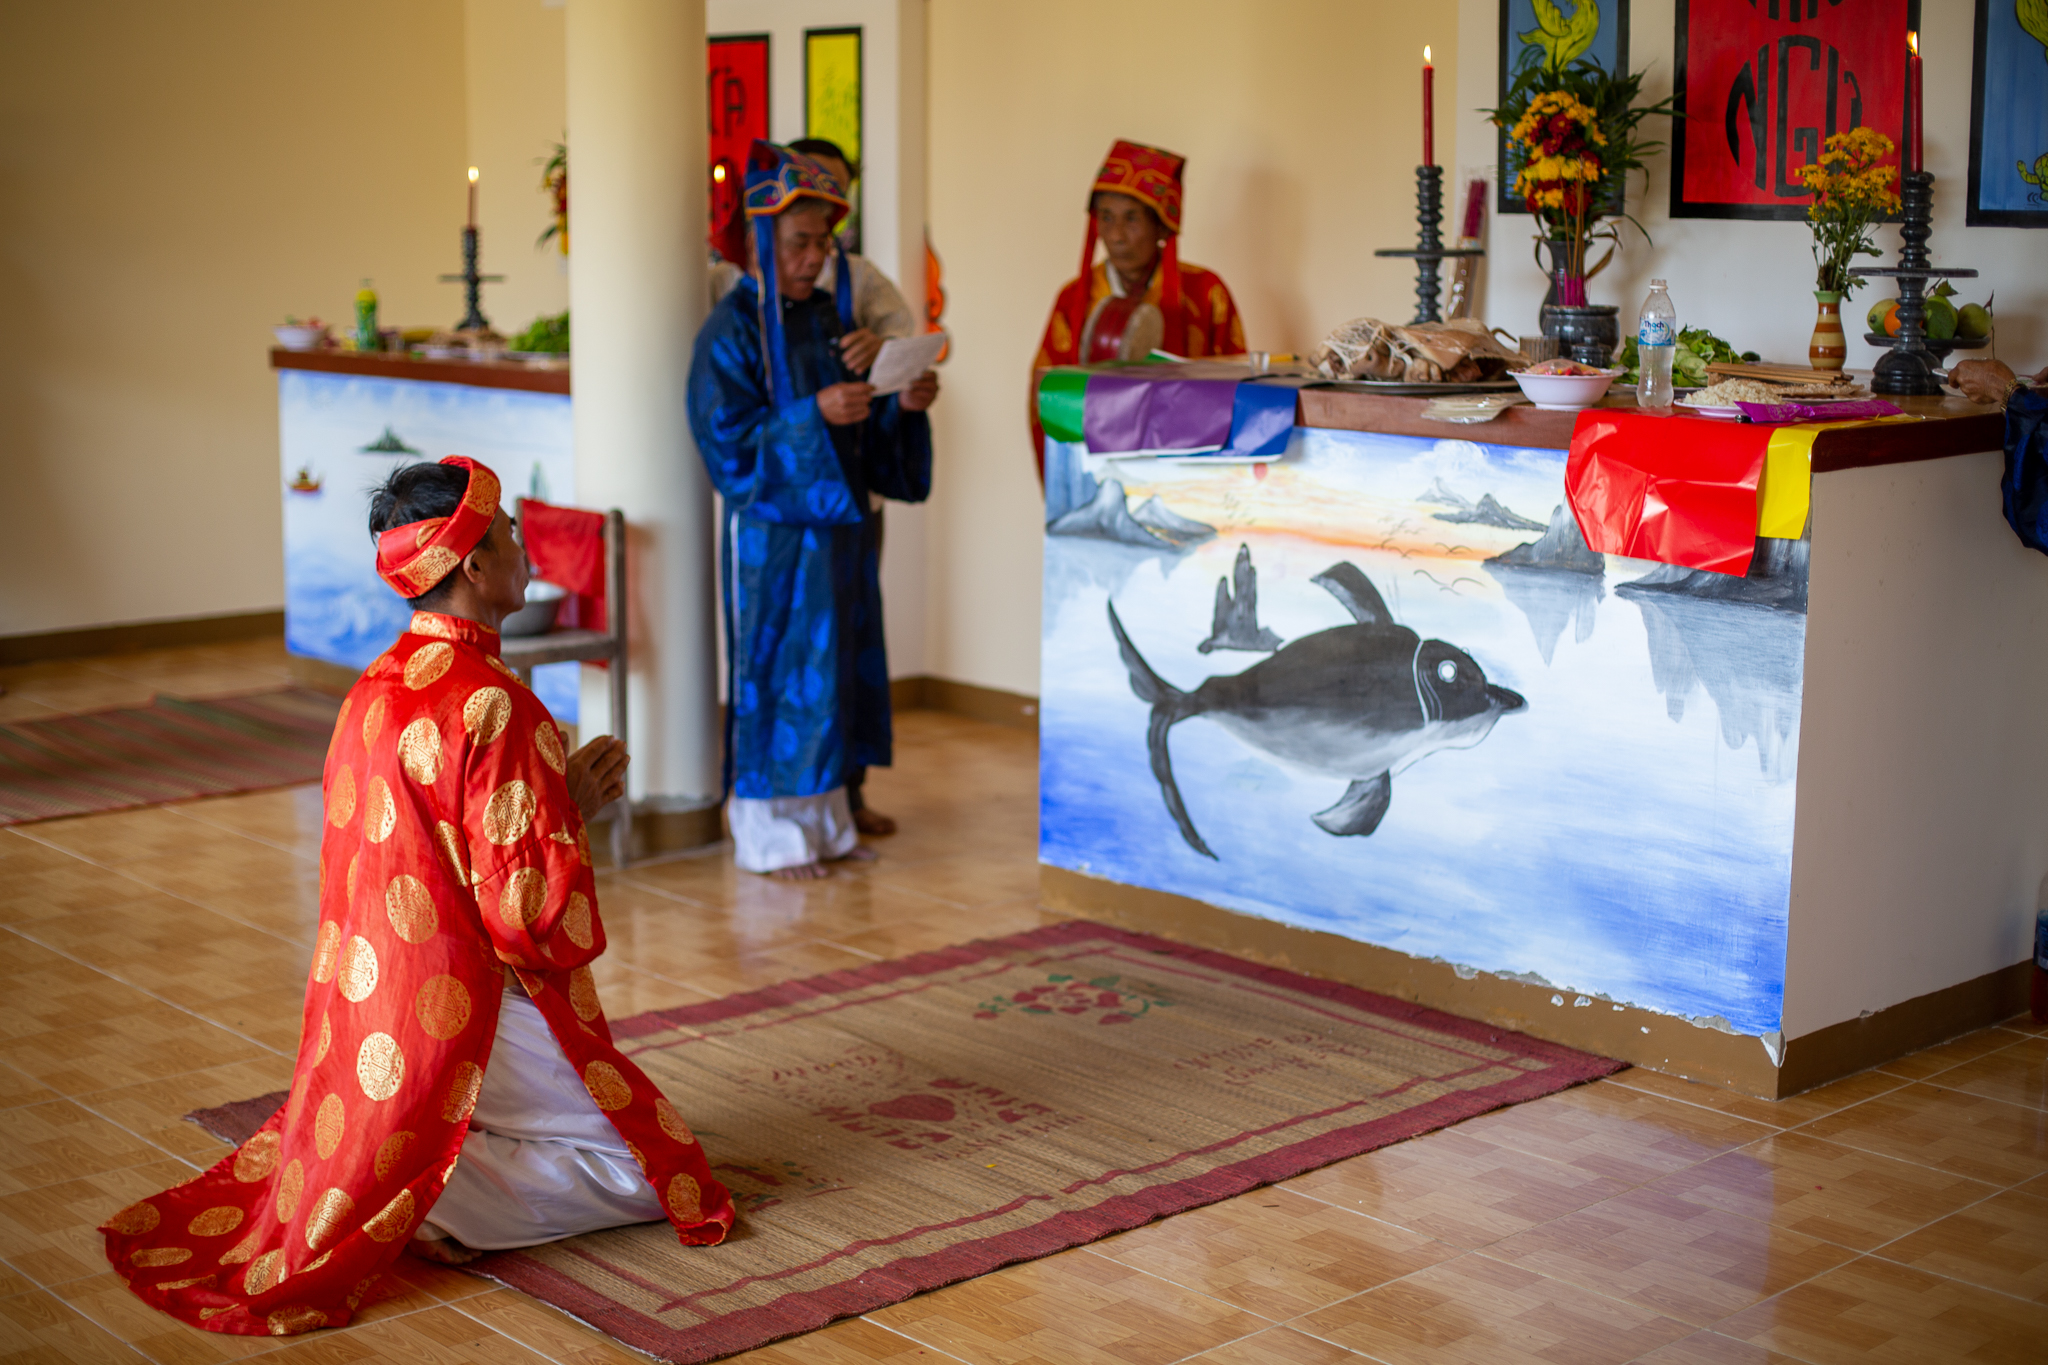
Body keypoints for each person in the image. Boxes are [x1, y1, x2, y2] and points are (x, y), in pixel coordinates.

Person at [101, 457, 732, 1337]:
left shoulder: (370, 689)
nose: (522, 548)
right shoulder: (499, 706)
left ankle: (406, 1168)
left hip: (368, 1012)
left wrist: (553, 802)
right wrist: (566, 815)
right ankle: (438, 1202)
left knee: (639, 1139)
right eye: (509, 531)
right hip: (463, 1012)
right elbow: (531, 922)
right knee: (659, 1172)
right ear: (474, 565)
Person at [687, 141, 936, 880]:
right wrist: (811, 415)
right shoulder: (729, 331)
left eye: (823, 240)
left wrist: (904, 402)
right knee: (781, 669)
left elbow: (866, 424)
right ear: (762, 238)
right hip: (777, 540)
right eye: (799, 242)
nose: (813, 256)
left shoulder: (833, 317)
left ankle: (826, 823)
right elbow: (726, 442)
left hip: (842, 530)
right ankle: (768, 834)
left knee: (837, 673)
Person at [1029, 139, 1248, 479]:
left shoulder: (1206, 292)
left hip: (1187, 467)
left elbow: (1238, 391)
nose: (1116, 235)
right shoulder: (1073, 298)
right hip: (1099, 469)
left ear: (1162, 226)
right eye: (1106, 218)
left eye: (1132, 219)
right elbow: (1046, 397)